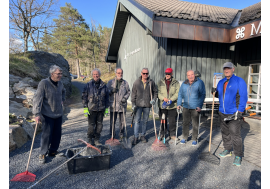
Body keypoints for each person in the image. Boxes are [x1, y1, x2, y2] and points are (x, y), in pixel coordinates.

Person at [212, 62, 247, 166]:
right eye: (225, 69)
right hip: (222, 112)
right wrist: (214, 92)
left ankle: (238, 155)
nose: (226, 70)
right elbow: (220, 96)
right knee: (225, 133)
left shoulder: (239, 81)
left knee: (235, 135)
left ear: (233, 69)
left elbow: (243, 97)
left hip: (234, 113)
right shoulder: (221, 82)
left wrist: (240, 111)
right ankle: (227, 149)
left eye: (228, 68)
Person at [32, 65, 66, 164]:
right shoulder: (44, 83)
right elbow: (37, 98)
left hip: (58, 114)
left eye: (61, 73)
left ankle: (53, 151)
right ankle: (43, 153)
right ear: (52, 74)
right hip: (47, 114)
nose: (60, 75)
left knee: (57, 134)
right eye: (58, 74)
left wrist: (62, 100)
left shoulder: (60, 83)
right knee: (47, 135)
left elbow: (64, 92)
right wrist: (37, 113)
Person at [177, 70, 206, 146]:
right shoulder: (184, 83)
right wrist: (179, 104)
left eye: (192, 74)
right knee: (185, 123)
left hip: (195, 107)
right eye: (189, 75)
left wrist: (199, 106)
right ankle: (184, 137)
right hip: (186, 107)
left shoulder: (200, 83)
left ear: (194, 75)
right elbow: (180, 94)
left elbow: (202, 94)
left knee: (195, 124)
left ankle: (194, 139)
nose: (191, 76)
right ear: (187, 76)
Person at [82, 68, 109, 146]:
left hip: (101, 109)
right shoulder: (88, 85)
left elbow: (107, 98)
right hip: (91, 109)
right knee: (91, 126)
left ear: (99, 75)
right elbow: (84, 96)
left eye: (97, 74)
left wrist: (106, 108)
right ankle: (90, 139)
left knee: (99, 125)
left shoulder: (104, 85)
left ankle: (97, 139)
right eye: (94, 74)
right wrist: (85, 108)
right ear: (92, 75)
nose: (95, 75)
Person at [131, 68, 158, 145]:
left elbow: (155, 92)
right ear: (141, 73)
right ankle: (136, 137)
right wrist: (133, 104)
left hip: (147, 105)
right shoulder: (136, 82)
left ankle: (143, 135)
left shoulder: (151, 82)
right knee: (137, 121)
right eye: (144, 73)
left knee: (145, 121)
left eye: (147, 73)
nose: (145, 75)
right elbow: (133, 94)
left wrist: (154, 99)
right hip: (138, 105)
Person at [107, 68, 130, 141]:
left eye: (121, 73)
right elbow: (106, 92)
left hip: (122, 105)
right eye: (118, 73)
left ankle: (121, 134)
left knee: (122, 122)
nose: (120, 74)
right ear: (115, 73)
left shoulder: (125, 83)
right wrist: (111, 91)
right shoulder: (110, 82)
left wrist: (125, 98)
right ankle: (112, 134)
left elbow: (128, 92)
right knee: (112, 121)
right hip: (113, 105)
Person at [157, 68, 180, 141]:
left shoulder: (176, 83)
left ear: (172, 74)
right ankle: (162, 133)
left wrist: (171, 99)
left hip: (172, 105)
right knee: (163, 120)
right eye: (166, 74)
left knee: (172, 121)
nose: (167, 75)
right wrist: (163, 98)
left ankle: (172, 134)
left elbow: (177, 93)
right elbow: (157, 92)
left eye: (169, 74)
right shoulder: (160, 82)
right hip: (163, 105)